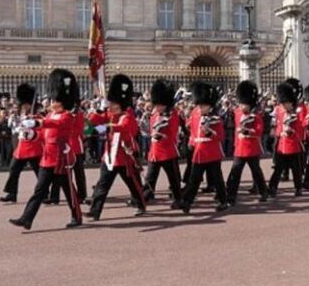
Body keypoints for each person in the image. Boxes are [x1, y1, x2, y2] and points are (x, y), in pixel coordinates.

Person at [9, 69, 82, 230]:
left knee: (69, 190)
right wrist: (30, 134)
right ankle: (26, 219)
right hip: (47, 158)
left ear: (61, 101)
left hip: (60, 159)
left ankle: (76, 215)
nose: (50, 102)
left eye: (53, 100)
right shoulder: (49, 116)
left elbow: (55, 125)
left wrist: (36, 123)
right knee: (39, 190)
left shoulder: (66, 116)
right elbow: (43, 135)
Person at [87, 74, 147, 220]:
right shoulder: (110, 114)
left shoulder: (127, 117)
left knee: (133, 184)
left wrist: (106, 126)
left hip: (124, 156)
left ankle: (141, 205)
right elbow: (95, 122)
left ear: (120, 104)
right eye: (110, 103)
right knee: (102, 185)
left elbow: (124, 129)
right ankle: (95, 211)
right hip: (109, 156)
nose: (111, 106)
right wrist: (95, 111)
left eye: (113, 104)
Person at [181, 82, 228, 214]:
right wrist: (191, 142)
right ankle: (187, 202)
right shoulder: (195, 115)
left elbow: (220, 136)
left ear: (210, 105)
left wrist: (209, 133)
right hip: (199, 152)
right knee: (193, 180)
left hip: (212, 153)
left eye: (204, 106)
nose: (201, 108)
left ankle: (223, 201)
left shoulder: (216, 119)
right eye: (200, 105)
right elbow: (192, 131)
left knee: (217, 179)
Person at [226, 80, 268, 204]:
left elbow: (259, 131)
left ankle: (263, 192)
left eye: (245, 104)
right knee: (235, 172)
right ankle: (231, 195)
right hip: (240, 148)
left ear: (250, 104)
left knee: (256, 172)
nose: (242, 106)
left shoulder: (256, 116)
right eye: (241, 104)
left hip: (252, 148)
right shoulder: (237, 112)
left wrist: (249, 131)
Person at [143, 78, 183, 207]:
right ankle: (146, 196)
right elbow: (150, 129)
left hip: (167, 151)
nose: (156, 107)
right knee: (150, 177)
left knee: (174, 178)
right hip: (155, 151)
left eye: (159, 105)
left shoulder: (172, 115)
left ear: (165, 104)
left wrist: (161, 134)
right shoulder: (155, 115)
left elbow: (172, 132)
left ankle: (178, 199)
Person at [0, 84, 42, 203]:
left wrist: (32, 124)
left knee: (39, 173)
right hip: (22, 148)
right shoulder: (23, 116)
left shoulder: (36, 116)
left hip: (33, 148)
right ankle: (12, 193)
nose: (24, 107)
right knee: (13, 169)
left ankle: (45, 192)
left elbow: (41, 129)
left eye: (25, 105)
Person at [268, 82, 305, 197]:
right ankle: (272, 187)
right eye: (283, 103)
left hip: (293, 145)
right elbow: (277, 125)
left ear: (291, 102)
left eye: (287, 103)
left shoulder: (297, 113)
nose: (285, 105)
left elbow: (300, 127)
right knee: (278, 168)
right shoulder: (279, 110)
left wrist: (292, 131)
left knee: (296, 169)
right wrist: (280, 133)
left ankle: (298, 188)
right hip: (282, 145)